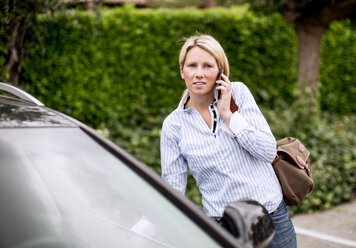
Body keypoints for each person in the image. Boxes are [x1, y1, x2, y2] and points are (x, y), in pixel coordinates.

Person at [160, 34, 296, 247]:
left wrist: (229, 116)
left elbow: (269, 151)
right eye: (192, 65)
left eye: (208, 66)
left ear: (221, 72)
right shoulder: (173, 125)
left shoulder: (238, 94)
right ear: (182, 71)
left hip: (271, 217)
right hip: (225, 229)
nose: (199, 74)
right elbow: (173, 187)